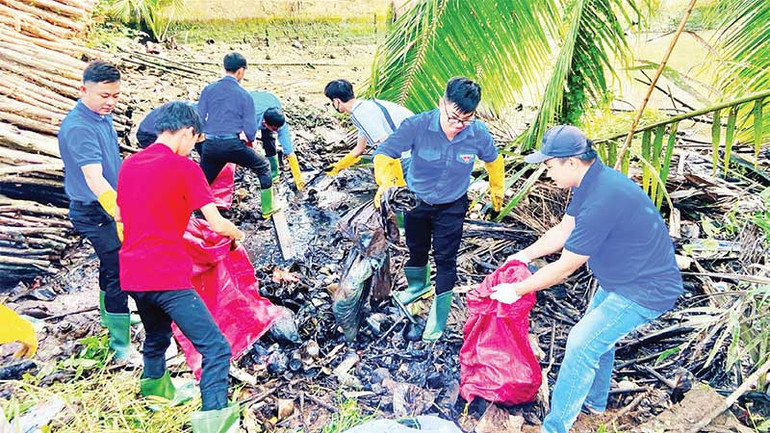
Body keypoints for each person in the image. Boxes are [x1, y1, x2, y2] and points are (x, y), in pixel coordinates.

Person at [489, 125, 683, 433]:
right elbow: (563, 232)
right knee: (598, 340)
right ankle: (595, 405)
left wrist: (516, 289)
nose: (546, 172)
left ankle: (555, 428)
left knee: (581, 343)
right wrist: (523, 256)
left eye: (549, 165)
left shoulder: (603, 198)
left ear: (571, 162)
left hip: (644, 289)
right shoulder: (590, 183)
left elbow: (567, 266)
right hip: (619, 279)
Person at [116, 101, 243, 432]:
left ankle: (154, 398)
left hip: (132, 274)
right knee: (215, 348)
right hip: (167, 276)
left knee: (157, 337)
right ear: (187, 132)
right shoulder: (184, 168)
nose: (192, 149)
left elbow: (119, 214)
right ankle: (215, 423)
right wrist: (237, 232)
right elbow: (215, 223)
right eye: (194, 141)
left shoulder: (129, 165)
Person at [372, 77, 505, 341]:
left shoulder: (477, 133)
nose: (458, 126)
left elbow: (494, 161)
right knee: (416, 248)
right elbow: (385, 153)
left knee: (446, 258)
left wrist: (497, 190)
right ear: (440, 103)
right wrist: (387, 182)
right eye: (453, 117)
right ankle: (418, 286)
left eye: (465, 120)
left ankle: (439, 315)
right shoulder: (418, 125)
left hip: (452, 205)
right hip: (417, 201)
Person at [57, 60, 133, 360]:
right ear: (83, 90)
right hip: (92, 210)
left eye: (116, 95)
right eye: (104, 96)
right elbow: (93, 176)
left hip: (107, 205)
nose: (111, 102)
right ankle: (120, 346)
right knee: (119, 270)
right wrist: (118, 210)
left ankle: (109, 317)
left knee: (110, 264)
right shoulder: (78, 127)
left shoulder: (103, 117)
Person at [197, 52, 279, 218]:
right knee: (263, 167)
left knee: (202, 182)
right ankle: (267, 209)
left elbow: (199, 117)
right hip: (232, 145)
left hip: (211, 146)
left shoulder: (208, 89)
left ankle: (195, 212)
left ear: (225, 67)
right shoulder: (244, 95)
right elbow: (249, 128)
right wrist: (251, 141)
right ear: (241, 71)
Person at [323, 79, 414, 177]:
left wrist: (392, 182)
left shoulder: (360, 114)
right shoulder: (367, 107)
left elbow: (386, 144)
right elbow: (360, 149)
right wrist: (337, 167)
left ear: (336, 101)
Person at [248, 90, 305, 190]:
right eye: (275, 129)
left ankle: (274, 174)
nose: (277, 131)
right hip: (250, 103)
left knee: (269, 138)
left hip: (270, 99)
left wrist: (298, 177)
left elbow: (289, 151)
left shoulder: (280, 124)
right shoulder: (251, 118)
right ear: (265, 123)